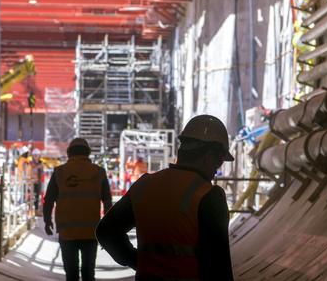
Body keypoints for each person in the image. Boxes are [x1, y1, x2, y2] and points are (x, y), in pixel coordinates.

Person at [96, 115, 235, 280]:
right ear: (209, 156)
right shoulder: (208, 196)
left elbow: (106, 231)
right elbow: (219, 266)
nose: (217, 169)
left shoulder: (145, 185)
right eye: (219, 162)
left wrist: (137, 261)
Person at [43, 138, 113, 281]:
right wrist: (107, 228)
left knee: (71, 274)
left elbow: (49, 199)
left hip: (67, 232)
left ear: (69, 153)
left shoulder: (59, 172)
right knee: (88, 273)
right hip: (91, 232)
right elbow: (107, 201)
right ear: (87, 153)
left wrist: (47, 220)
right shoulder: (99, 172)